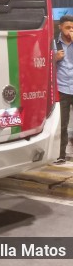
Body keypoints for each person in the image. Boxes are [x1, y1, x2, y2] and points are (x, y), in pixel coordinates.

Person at [54, 14, 73, 164]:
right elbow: (43, 63)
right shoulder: (54, 43)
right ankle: (61, 155)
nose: (70, 30)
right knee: (62, 124)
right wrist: (54, 58)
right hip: (63, 89)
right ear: (60, 27)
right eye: (67, 27)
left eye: (72, 27)